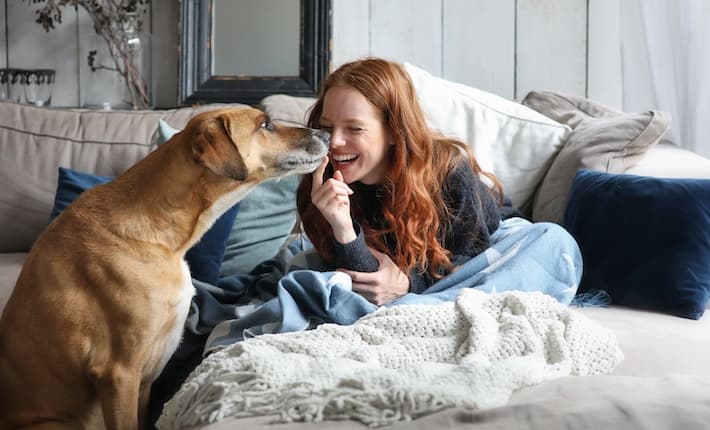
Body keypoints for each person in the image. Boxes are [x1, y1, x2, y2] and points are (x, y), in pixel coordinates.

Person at [296, 57, 540, 306]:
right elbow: (367, 285)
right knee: (300, 269)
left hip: (484, 244)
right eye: (327, 127)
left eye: (355, 129)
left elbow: (466, 266)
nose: (335, 142)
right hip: (415, 271)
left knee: (552, 239)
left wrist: (408, 284)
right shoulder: (319, 182)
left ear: (393, 131)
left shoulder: (449, 173)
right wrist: (343, 228)